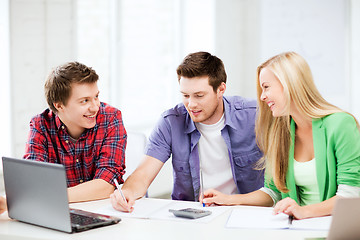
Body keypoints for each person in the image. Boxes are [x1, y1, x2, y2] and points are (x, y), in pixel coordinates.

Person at [202, 52, 360, 219]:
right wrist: (228, 199)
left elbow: (351, 194)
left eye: (266, 87)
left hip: (332, 226)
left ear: (290, 84)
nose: (262, 97)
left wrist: (302, 211)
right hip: (297, 228)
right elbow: (273, 192)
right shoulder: (280, 131)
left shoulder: (341, 124)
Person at [111, 51, 264, 212]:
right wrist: (127, 192)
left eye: (199, 96)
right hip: (192, 215)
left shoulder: (254, 116)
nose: (191, 104)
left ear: (221, 89)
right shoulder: (170, 122)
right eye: (185, 95)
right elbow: (143, 173)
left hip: (243, 211)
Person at [23, 62, 127, 203]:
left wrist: (49, 196)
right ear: (59, 105)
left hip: (102, 209)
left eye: (96, 97)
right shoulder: (40, 124)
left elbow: (106, 184)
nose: (95, 107)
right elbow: (33, 179)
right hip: (59, 210)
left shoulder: (111, 118)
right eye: (84, 101)